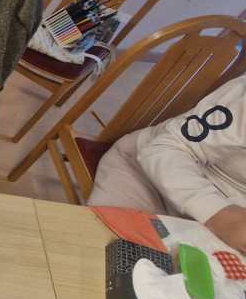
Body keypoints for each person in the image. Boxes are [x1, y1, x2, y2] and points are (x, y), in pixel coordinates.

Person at [88, 74, 245, 252]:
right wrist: (219, 214)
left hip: (222, 211)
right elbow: (165, 147)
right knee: (111, 256)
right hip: (149, 173)